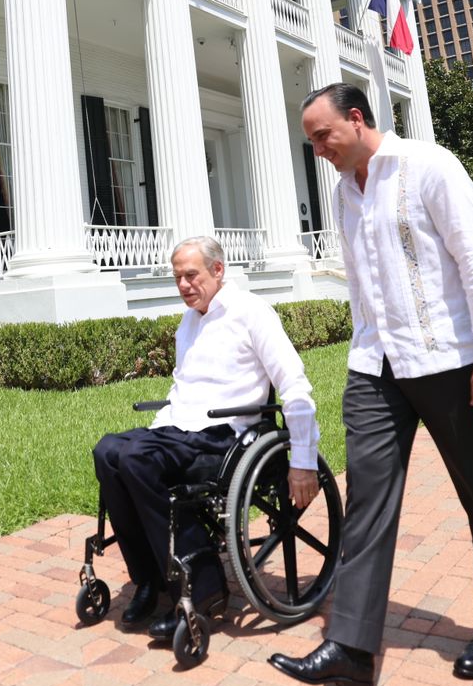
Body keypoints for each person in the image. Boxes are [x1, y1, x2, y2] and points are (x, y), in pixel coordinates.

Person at [269, 83, 473, 686]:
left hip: (448, 362)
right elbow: (362, 283)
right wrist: (362, 347)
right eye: (310, 140)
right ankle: (351, 648)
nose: (318, 149)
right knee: (367, 505)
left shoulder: (429, 165)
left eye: (322, 135)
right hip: (375, 367)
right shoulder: (342, 194)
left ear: (356, 120)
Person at [91, 236, 320, 639]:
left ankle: (205, 586)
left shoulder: (252, 312)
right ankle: (148, 578)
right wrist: (160, 426)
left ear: (218, 270)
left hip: (226, 437)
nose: (183, 285)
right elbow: (183, 390)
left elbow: (295, 385)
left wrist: (303, 457)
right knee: (109, 450)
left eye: (190, 275)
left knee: (137, 458)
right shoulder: (189, 321)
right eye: (177, 277)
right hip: (183, 430)